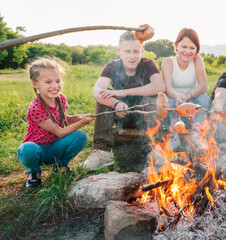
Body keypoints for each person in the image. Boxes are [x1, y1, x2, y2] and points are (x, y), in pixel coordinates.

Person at [83, 30, 165, 169]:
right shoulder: (112, 66)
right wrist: (116, 103)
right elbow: (96, 91)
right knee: (105, 93)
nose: (132, 56)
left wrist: (124, 92)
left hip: (143, 115)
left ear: (142, 51)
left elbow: (160, 86)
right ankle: (103, 151)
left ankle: (155, 148)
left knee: (154, 95)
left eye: (136, 51)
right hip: (120, 116)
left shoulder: (147, 64)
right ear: (119, 51)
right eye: (127, 51)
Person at [17, 57, 94, 188]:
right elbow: (59, 131)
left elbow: (64, 119)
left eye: (58, 81)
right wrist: (81, 123)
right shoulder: (35, 108)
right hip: (38, 151)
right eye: (48, 82)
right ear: (35, 83)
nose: (55, 86)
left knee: (80, 137)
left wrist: (79, 117)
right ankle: (34, 173)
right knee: (27, 149)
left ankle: (61, 165)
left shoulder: (60, 98)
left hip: (56, 146)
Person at [161, 28, 211, 130]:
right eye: (184, 47)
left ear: (197, 49)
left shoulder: (197, 59)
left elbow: (203, 86)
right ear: (176, 46)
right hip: (174, 98)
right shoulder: (168, 62)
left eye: (192, 48)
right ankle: (174, 133)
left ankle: (197, 132)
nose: (188, 51)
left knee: (204, 99)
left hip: (191, 97)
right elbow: (168, 88)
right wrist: (178, 97)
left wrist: (187, 97)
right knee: (169, 103)